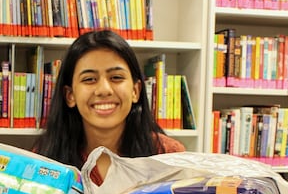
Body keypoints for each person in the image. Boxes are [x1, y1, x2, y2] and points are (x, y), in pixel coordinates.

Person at [33, 29, 185, 185]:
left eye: (116, 77)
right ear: (70, 95)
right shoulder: (45, 159)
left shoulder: (169, 155)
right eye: (90, 79)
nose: (104, 90)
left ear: (135, 90)